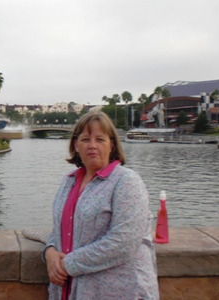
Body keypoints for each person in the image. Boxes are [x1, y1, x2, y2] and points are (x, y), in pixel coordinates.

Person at [43, 112, 159, 300]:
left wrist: (67, 264)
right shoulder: (69, 181)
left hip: (121, 291)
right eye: (85, 139)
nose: (92, 146)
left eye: (100, 139)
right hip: (71, 290)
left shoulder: (126, 181)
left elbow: (124, 243)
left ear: (112, 144)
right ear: (76, 145)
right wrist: (49, 252)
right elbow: (62, 228)